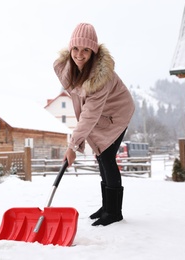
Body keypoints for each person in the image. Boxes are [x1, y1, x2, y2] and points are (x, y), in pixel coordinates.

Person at [53, 23, 135, 226]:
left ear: (93, 52)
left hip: (117, 114)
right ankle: (107, 207)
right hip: (101, 114)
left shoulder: (101, 78)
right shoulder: (71, 70)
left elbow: (88, 114)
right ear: (70, 49)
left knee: (106, 156)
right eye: (75, 49)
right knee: (101, 156)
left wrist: (73, 146)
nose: (79, 55)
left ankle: (114, 212)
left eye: (86, 50)